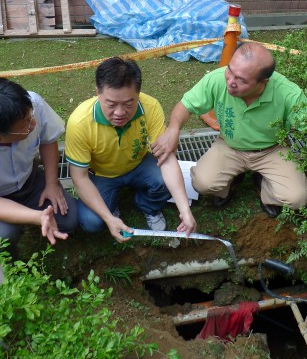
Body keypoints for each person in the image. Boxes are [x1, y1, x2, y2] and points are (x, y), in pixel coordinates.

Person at [152, 42, 307, 218]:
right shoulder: (217, 79)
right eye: (230, 71)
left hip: (272, 148)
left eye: (241, 80)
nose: (230, 82)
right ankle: (232, 181)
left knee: (298, 199)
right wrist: (173, 130)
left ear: (263, 82)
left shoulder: (288, 93)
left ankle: (263, 184)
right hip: (229, 145)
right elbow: (185, 106)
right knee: (202, 183)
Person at [65, 57, 197, 242]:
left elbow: (166, 158)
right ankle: (111, 209)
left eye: (128, 104)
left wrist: (184, 209)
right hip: (102, 174)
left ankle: (147, 206)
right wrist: (109, 219)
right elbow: (79, 177)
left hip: (139, 164)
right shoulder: (79, 123)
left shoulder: (150, 107)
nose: (119, 113)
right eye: (111, 104)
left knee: (166, 181)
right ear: (98, 93)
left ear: (138, 94)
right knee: (91, 222)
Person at [0, 79, 78, 258]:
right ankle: (14, 269)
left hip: (31, 181)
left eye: (31, 116)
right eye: (25, 125)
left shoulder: (33, 102)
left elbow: (48, 140)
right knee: (5, 236)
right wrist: (36, 217)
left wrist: (51, 184)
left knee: (68, 220)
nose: (33, 124)